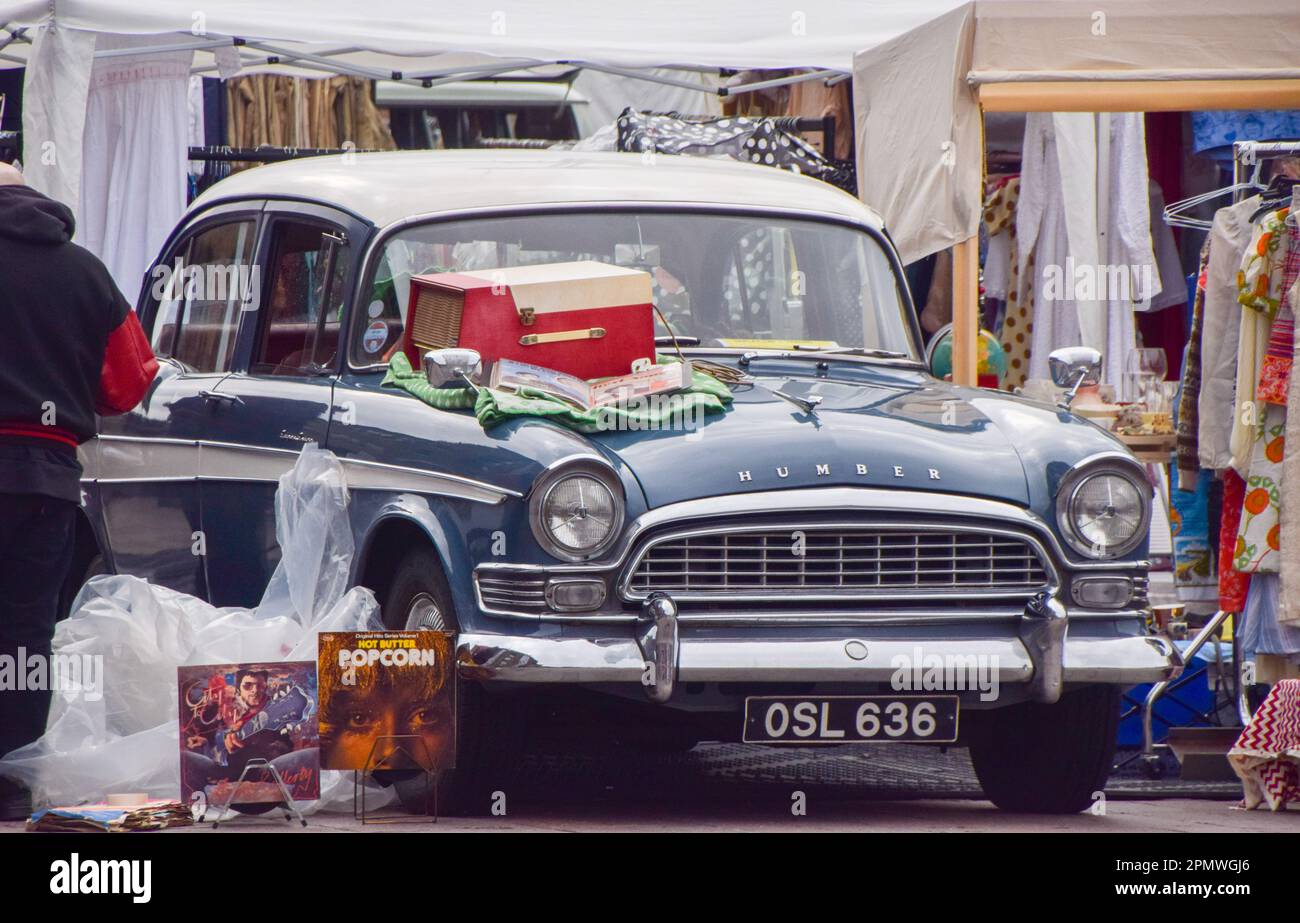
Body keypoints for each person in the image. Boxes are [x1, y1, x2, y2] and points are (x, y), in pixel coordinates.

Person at [0, 162, 158, 819]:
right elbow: (131, 379)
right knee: (25, 637)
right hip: (47, 482)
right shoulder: (86, 271)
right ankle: (12, 783)